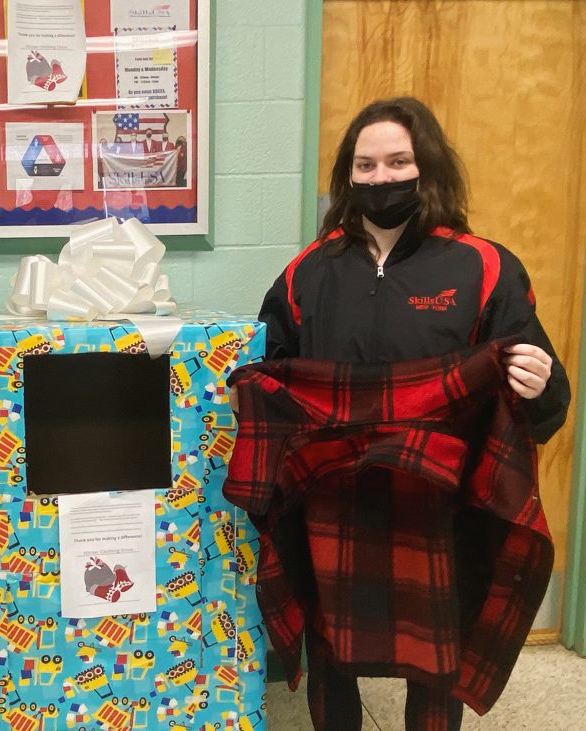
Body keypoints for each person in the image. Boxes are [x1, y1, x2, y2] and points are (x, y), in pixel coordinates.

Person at [237, 97, 570, 730]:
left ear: (429, 168)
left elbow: (545, 401)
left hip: (438, 506)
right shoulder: (308, 272)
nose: (381, 178)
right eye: (365, 165)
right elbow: (274, 372)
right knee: (331, 650)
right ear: (348, 175)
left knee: (436, 654)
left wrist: (539, 387)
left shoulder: (486, 266)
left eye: (398, 161)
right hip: (334, 500)